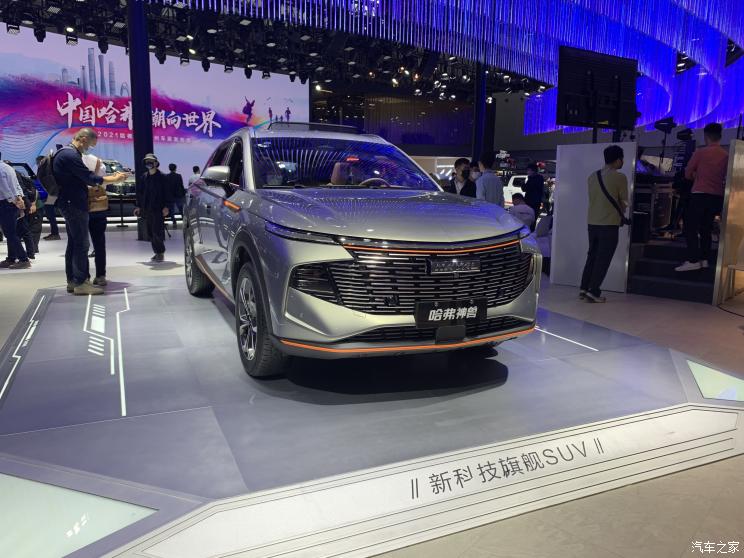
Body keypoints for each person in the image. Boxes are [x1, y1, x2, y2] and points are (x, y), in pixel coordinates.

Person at [53, 128, 128, 295]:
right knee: (81, 243)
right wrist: (114, 179)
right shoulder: (70, 155)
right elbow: (90, 178)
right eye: (90, 145)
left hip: (70, 202)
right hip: (74, 204)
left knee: (74, 243)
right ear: (84, 139)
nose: (89, 149)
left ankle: (73, 281)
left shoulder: (65, 153)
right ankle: (81, 283)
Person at [579, 145, 629, 303]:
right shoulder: (620, 177)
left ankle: (584, 288)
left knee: (592, 256)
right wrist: (622, 211)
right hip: (609, 224)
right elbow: (624, 202)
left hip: (592, 222)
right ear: (618, 160)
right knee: (603, 259)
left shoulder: (592, 176)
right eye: (622, 159)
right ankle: (593, 292)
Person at [676, 123, 728, 272]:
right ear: (720, 136)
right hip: (717, 196)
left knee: (690, 226)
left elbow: (687, 173)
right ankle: (705, 259)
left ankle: (693, 260)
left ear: (706, 136)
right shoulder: (726, 155)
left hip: (700, 194)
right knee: (707, 227)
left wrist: (697, 176)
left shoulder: (700, 152)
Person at [135, 153, 171, 262]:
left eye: (151, 161)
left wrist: (167, 206)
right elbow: (140, 193)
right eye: (147, 161)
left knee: (157, 231)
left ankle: (160, 252)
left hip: (158, 208)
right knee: (150, 232)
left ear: (156, 163)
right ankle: (157, 252)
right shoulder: (144, 177)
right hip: (147, 208)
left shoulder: (163, 177)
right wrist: (138, 206)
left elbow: (167, 193)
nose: (149, 163)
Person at [82, 154, 108, 286]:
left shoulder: (75, 160)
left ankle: (84, 277)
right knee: (99, 244)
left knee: (81, 244)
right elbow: (104, 183)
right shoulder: (99, 162)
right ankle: (101, 275)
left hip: (81, 206)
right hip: (98, 207)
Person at [0, 160, 31, 269]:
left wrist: (13, 200)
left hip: (6, 203)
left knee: (10, 233)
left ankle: (24, 259)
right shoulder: (8, 167)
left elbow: (4, 188)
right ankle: (11, 258)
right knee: (11, 232)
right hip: (12, 202)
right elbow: (17, 185)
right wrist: (20, 198)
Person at [39, 155, 62, 241]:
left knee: (50, 213)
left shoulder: (47, 171)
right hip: (53, 193)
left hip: (52, 193)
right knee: (50, 213)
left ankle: (55, 233)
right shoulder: (51, 169)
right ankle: (54, 233)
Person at [522, 163, 545, 232]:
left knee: (529, 219)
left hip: (531, 202)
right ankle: (530, 232)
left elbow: (525, 188)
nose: (527, 172)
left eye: (528, 170)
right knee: (532, 219)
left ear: (533, 171)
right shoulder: (539, 178)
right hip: (535, 202)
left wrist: (523, 183)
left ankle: (529, 232)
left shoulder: (533, 179)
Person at [166, 163, 186, 229]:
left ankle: (174, 222)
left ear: (169, 168)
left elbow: (166, 187)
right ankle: (184, 221)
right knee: (180, 209)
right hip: (178, 195)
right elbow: (181, 185)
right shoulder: (179, 176)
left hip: (170, 195)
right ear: (175, 168)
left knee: (171, 210)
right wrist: (183, 193)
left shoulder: (167, 176)